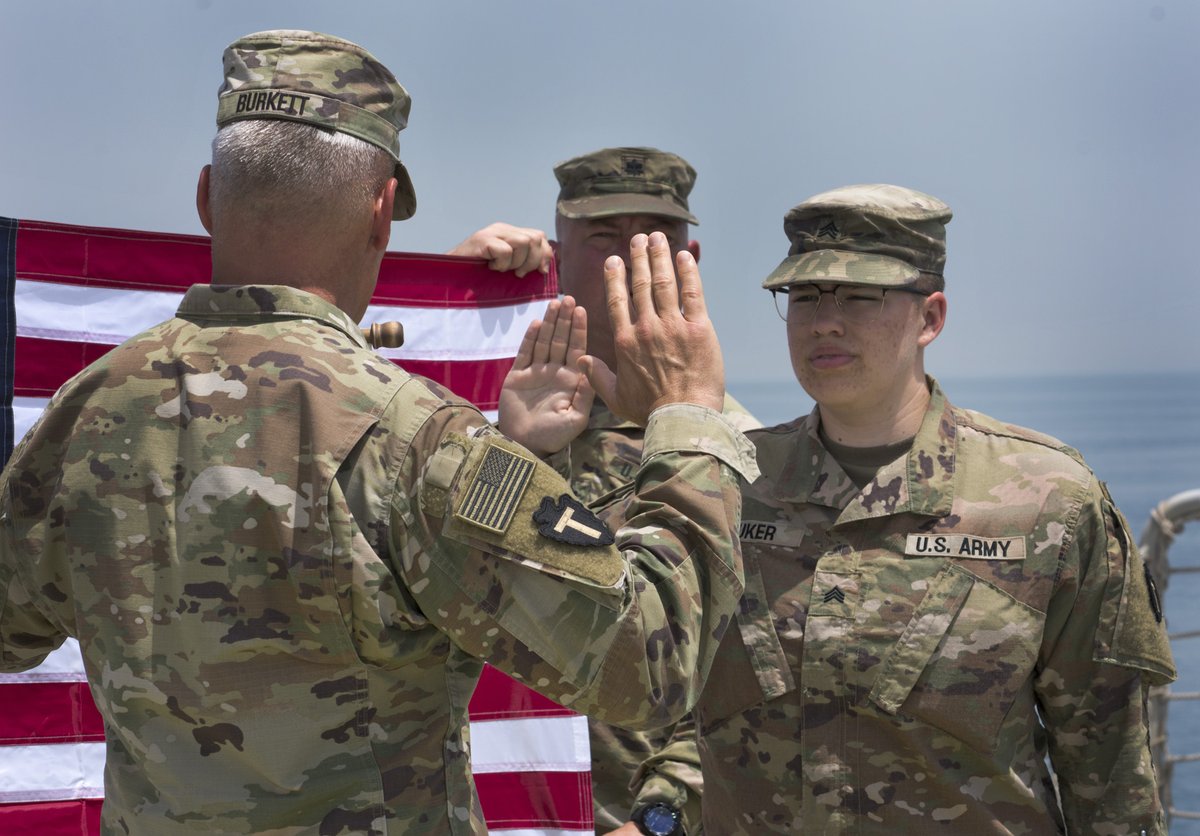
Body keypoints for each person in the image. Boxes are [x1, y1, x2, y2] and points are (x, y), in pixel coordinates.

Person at [0, 30, 759, 835]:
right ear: (380, 214)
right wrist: (689, 421)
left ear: (204, 198)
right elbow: (646, 661)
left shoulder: (83, 412)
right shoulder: (420, 439)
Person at [683, 183, 1176, 833]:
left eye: (860, 296)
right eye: (804, 296)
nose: (825, 322)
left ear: (930, 318)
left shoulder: (1047, 501)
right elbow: (625, 666)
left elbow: (1109, 774)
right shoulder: (722, 484)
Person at [547, 147, 760, 835]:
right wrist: (456, 286)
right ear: (558, 253)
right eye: (604, 237)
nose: (629, 258)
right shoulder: (493, 406)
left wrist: (663, 815)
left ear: (688, 258)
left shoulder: (731, 445)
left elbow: (758, 665)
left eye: (654, 239)